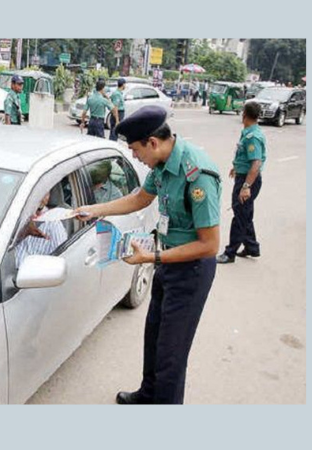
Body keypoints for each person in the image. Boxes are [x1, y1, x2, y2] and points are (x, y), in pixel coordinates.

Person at [75, 105, 222, 404]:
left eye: (134, 149)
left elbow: (210, 245)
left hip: (190, 271)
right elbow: (141, 198)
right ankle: (148, 394)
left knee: (171, 355)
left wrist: (151, 259)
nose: (133, 156)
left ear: (152, 143)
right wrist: (95, 210)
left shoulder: (197, 174)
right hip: (166, 261)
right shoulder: (161, 166)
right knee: (153, 338)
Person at [217, 102, 266, 263]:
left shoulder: (253, 137)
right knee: (244, 214)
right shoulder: (248, 132)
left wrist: (246, 186)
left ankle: (230, 253)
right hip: (244, 177)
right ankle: (252, 247)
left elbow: (256, 164)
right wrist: (236, 167)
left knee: (239, 216)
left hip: (248, 181)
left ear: (244, 114)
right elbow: (245, 157)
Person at [15, 190, 68, 267]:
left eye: (46, 193)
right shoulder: (13, 218)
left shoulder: (53, 224)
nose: (42, 197)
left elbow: (63, 257)